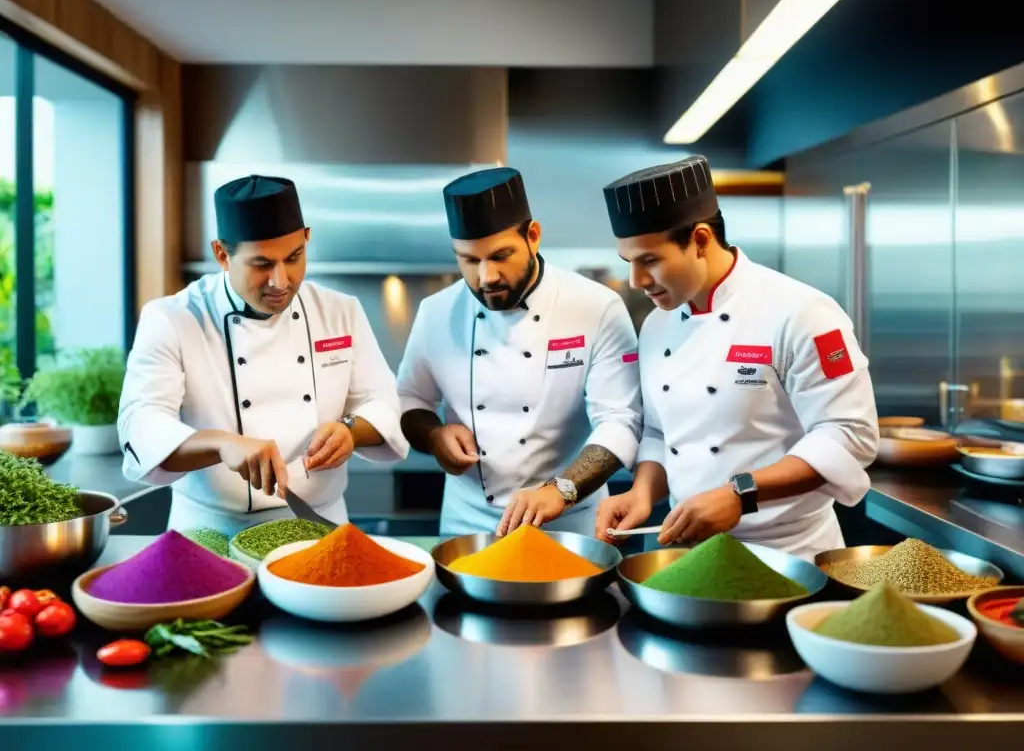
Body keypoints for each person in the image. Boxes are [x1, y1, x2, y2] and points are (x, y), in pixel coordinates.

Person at [595, 155, 879, 560]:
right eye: (630, 263)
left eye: (650, 260)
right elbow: (660, 433)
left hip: (786, 553)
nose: (637, 281)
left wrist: (740, 493)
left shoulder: (802, 312)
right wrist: (642, 492)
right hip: (686, 553)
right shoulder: (657, 325)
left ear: (700, 240)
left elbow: (850, 435)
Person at [117, 175, 409, 534]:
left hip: (319, 524)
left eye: (294, 257)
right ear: (222, 255)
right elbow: (141, 426)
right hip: (210, 531)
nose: (281, 281)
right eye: (261, 264)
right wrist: (222, 445)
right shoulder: (173, 319)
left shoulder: (340, 311)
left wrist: (349, 431)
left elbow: (382, 402)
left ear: (307, 238)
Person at [396, 166, 643, 537]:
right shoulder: (436, 312)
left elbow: (621, 419)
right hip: (468, 521)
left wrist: (563, 489)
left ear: (533, 236)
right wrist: (434, 436)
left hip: (569, 520)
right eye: (468, 260)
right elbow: (409, 398)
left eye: (500, 256)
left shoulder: (597, 307)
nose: (486, 277)